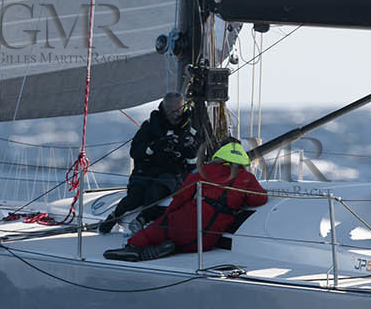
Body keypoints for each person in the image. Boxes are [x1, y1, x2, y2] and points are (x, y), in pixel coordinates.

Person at [120, 138, 268, 256]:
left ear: (220, 152)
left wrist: (166, 216)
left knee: (154, 232)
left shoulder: (204, 170)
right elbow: (260, 199)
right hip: (208, 240)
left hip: (190, 223)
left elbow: (181, 197)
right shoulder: (247, 177)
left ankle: (133, 247)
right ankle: (170, 248)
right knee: (188, 241)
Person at [99, 93, 199, 233]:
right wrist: (154, 146)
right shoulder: (151, 126)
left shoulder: (192, 129)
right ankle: (114, 216)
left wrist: (189, 151)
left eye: (178, 109)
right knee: (134, 197)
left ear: (183, 108)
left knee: (156, 191)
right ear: (163, 107)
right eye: (170, 109)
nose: (174, 113)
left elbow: (194, 165)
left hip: (172, 173)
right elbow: (135, 152)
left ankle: (142, 220)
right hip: (147, 170)